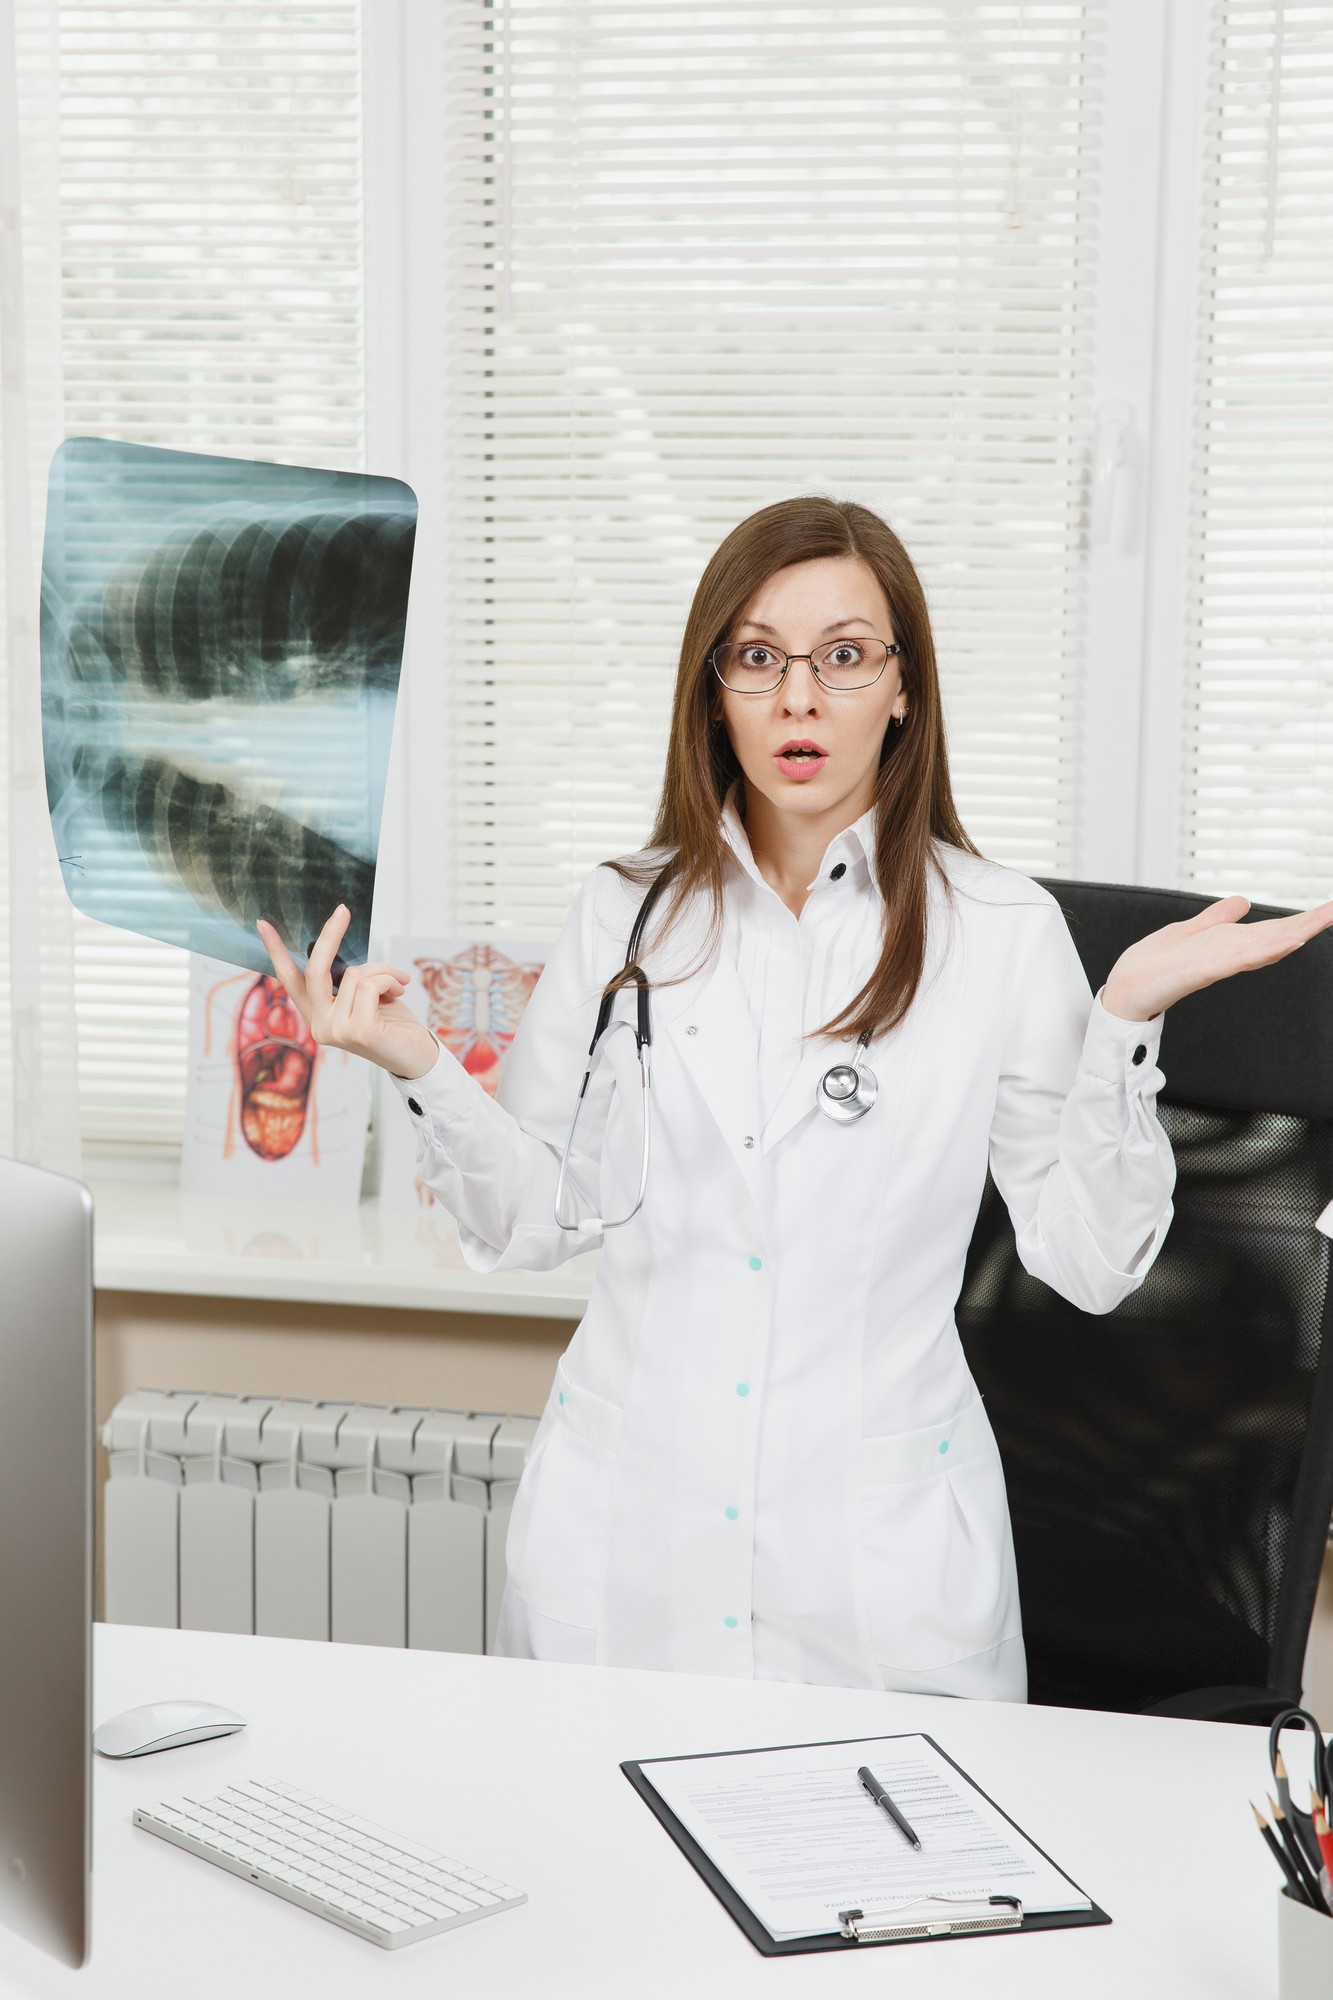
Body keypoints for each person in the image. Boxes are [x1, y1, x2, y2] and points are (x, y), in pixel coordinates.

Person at [258, 497, 1333, 1701]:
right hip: (625, 1546)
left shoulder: (998, 930)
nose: (799, 698)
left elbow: (1090, 1262)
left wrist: (1124, 1020)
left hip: (878, 1571)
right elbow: (526, 1224)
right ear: (713, 687)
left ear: (903, 686)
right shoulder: (624, 912)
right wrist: (420, 1064)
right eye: (758, 657)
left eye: (845, 654)